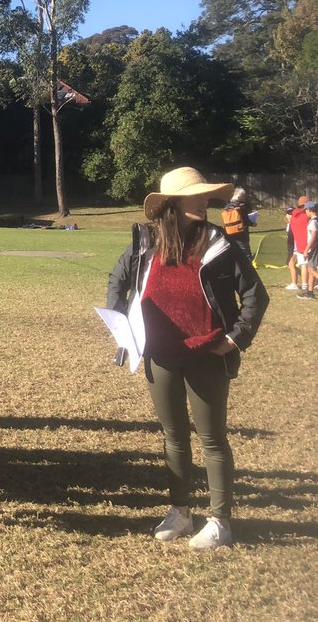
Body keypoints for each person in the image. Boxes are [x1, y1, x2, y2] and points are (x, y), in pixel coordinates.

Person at [106, 167, 269, 549]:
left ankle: (219, 521)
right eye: (196, 197)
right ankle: (180, 512)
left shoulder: (220, 244)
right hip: (160, 354)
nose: (205, 202)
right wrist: (122, 327)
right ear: (173, 205)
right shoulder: (146, 240)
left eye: (206, 196)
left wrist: (233, 339)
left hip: (207, 355)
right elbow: (118, 281)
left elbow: (255, 297)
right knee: (173, 435)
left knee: (212, 439)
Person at [220, 187, 254, 259]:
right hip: (241, 231)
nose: (245, 197)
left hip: (229, 231)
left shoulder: (227, 207)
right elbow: (245, 219)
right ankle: (248, 263)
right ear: (239, 196)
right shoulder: (241, 207)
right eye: (244, 195)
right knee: (244, 249)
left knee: (233, 247)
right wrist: (252, 223)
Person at [286, 196, 309, 290]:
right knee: (307, 265)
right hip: (304, 243)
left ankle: (299, 283)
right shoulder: (307, 216)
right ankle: (305, 283)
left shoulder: (294, 218)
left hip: (297, 245)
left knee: (296, 264)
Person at [301, 202, 318, 301]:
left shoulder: (313, 222)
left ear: (310, 210)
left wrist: (306, 249)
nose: (305, 212)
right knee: (311, 269)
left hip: (313, 248)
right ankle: (310, 292)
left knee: (311, 269)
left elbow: (314, 236)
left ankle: (310, 292)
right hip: (316, 247)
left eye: (306, 210)